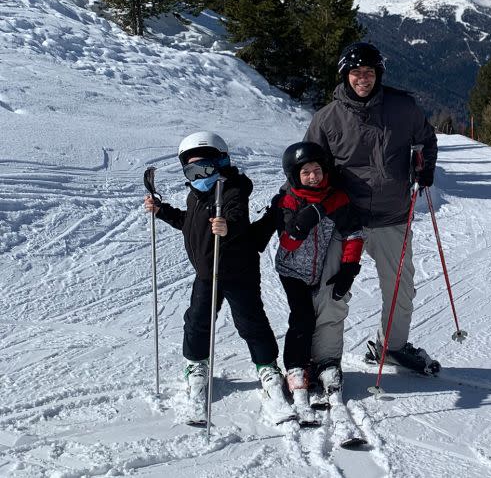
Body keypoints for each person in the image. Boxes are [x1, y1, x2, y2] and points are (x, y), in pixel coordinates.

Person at [304, 41, 440, 375]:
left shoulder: (402, 108)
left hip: (392, 216)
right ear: (344, 76)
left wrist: (425, 168)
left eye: (368, 72)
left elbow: (426, 139)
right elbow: (307, 167)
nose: (362, 79)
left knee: (400, 291)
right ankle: (326, 359)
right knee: (333, 290)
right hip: (345, 219)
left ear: (377, 74)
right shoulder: (327, 119)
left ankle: (391, 347)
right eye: (355, 73)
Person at [143, 131, 295, 425]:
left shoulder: (233, 189)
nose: (200, 175)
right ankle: (196, 366)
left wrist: (228, 227)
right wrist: (161, 211)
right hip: (206, 273)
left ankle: (267, 368)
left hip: (239, 272)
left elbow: (236, 215)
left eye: (206, 168)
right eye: (192, 170)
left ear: (222, 162)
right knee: (198, 320)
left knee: (251, 322)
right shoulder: (196, 194)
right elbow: (188, 223)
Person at [269, 141, 365, 419]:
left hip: (317, 271)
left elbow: (354, 233)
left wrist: (349, 268)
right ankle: (295, 367)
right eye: (306, 172)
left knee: (322, 311)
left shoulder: (337, 198)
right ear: (294, 176)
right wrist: (306, 217)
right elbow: (288, 239)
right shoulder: (288, 200)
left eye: (317, 171)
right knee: (302, 317)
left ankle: (318, 361)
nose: (313, 177)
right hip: (291, 271)